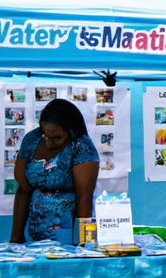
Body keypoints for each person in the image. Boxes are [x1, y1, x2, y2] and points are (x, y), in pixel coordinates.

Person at [10, 99, 99, 244]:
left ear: (70, 130)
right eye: (45, 135)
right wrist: (16, 238)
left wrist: (82, 242)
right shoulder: (31, 140)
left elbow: (84, 197)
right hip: (35, 233)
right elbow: (23, 189)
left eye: (57, 137)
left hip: (68, 235)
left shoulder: (81, 145)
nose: (49, 141)